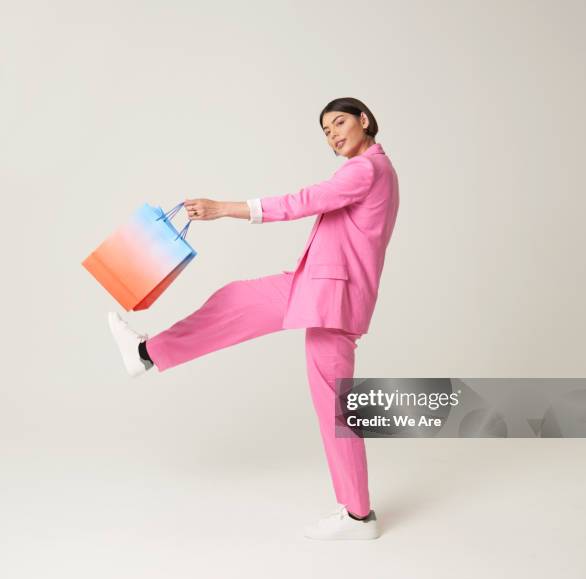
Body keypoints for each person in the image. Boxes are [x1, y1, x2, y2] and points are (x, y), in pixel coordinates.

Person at [108, 97, 400, 540]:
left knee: (334, 405)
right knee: (237, 301)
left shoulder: (367, 169)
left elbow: (303, 201)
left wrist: (225, 208)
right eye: (325, 130)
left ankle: (359, 517)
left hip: (331, 294)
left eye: (339, 122)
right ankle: (147, 353)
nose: (333, 134)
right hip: (318, 286)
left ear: (364, 120)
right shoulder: (375, 170)